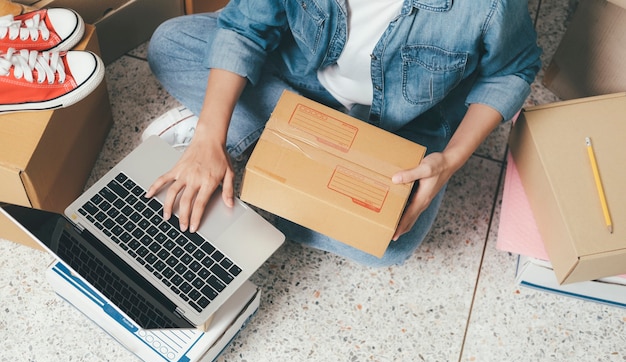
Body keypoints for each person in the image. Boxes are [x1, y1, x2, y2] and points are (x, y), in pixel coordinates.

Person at [144, 0, 542, 267]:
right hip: (298, 79)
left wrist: (450, 161)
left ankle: (264, 157)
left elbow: (511, 72)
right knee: (170, 44)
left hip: (397, 126)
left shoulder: (488, 6)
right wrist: (208, 139)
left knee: (387, 246)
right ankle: (255, 150)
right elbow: (245, 27)